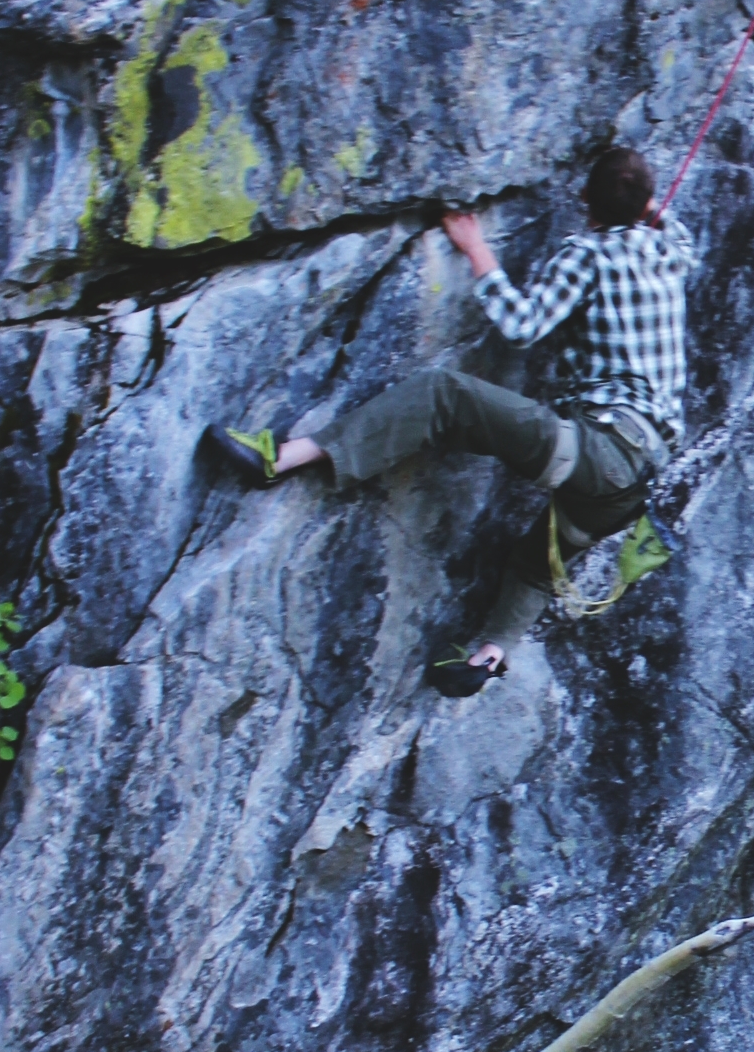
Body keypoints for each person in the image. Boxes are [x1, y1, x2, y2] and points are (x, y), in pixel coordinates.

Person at [203, 143, 695, 695]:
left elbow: (523, 324)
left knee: (445, 395)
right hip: (632, 482)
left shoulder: (588, 254)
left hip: (598, 444)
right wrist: (639, 201)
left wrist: (477, 249)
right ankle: (489, 654)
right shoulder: (672, 251)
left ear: (585, 199)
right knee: (537, 562)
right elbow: (668, 223)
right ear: (648, 200)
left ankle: (285, 456)